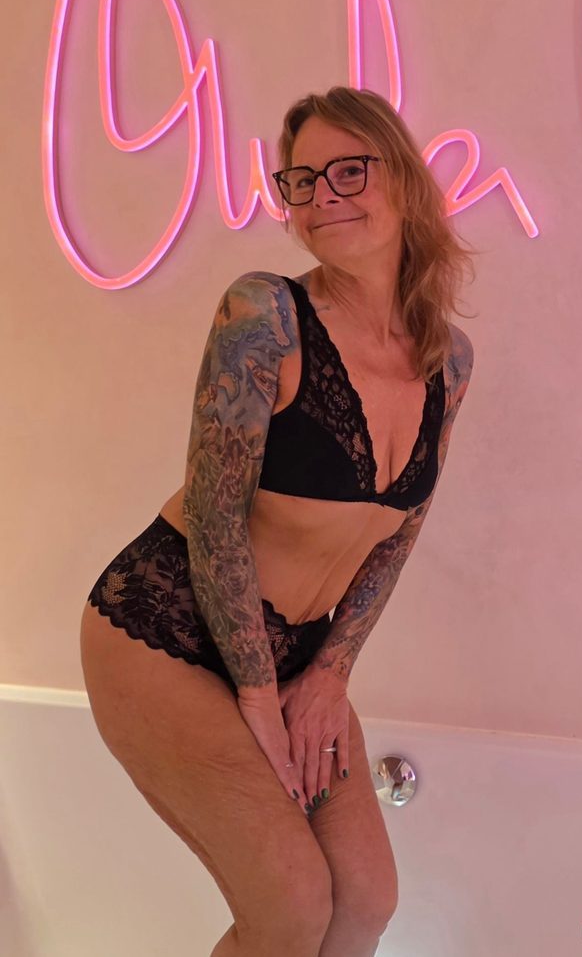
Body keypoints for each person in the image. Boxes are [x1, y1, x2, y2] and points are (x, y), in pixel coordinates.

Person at [79, 85, 476, 957]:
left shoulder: (447, 359)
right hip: (166, 633)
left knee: (365, 900)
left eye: (348, 171)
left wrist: (329, 674)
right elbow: (215, 516)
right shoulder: (265, 315)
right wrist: (259, 698)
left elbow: (399, 532)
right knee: (291, 905)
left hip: (298, 647)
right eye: (301, 180)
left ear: (404, 181)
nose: (321, 196)